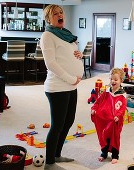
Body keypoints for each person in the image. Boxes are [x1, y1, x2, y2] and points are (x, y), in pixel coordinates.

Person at [39, 4, 84, 165]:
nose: (60, 15)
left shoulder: (65, 34)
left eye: (61, 12)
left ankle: (57, 154)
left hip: (71, 86)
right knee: (57, 125)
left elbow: (67, 56)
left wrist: (79, 55)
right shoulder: (47, 36)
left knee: (68, 121)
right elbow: (50, 63)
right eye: (55, 14)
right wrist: (71, 78)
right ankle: (50, 162)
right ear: (48, 19)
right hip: (57, 87)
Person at [91, 68, 128, 164]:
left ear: (121, 80)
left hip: (115, 120)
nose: (113, 81)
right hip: (105, 119)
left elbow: (122, 108)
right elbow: (98, 101)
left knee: (114, 137)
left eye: (116, 79)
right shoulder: (107, 91)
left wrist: (118, 115)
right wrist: (94, 108)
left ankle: (115, 155)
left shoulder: (122, 95)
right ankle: (104, 153)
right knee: (104, 135)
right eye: (111, 79)